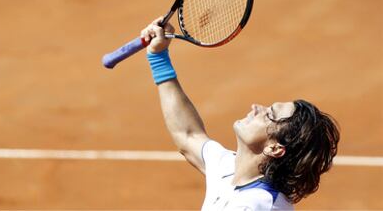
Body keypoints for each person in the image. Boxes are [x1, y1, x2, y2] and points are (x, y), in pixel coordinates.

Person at [141, 17, 340, 210]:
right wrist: (158, 57)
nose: (256, 107)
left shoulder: (256, 206)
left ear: (275, 148)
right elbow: (188, 135)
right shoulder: (229, 169)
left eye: (269, 114)